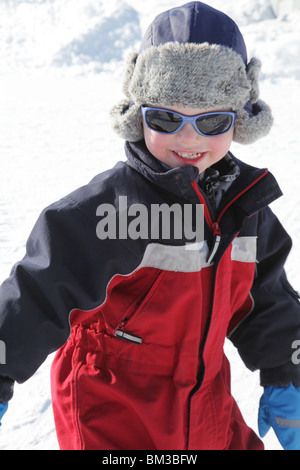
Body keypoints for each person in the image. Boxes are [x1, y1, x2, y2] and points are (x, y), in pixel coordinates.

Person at [0, 1, 300, 451]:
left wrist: (287, 371)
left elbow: (266, 298)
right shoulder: (108, 211)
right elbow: (38, 293)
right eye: (166, 118)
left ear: (240, 121)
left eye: (212, 120)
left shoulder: (245, 207)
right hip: (115, 409)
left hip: (205, 399)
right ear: (138, 116)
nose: (189, 139)